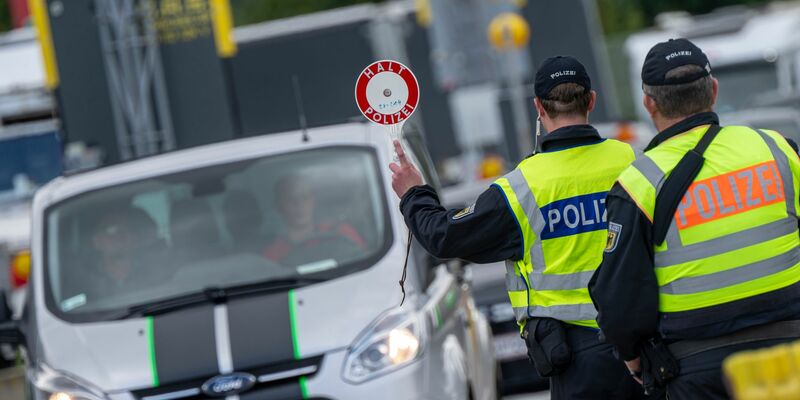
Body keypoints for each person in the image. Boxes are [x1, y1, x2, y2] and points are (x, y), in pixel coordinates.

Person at [390, 56, 644, 399]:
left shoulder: (522, 188)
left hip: (577, 361)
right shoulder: (633, 162)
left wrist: (413, 193)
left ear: (538, 107)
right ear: (592, 100)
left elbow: (443, 236)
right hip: (644, 345)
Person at [588, 38, 800, 399]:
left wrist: (633, 359)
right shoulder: (777, 149)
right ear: (713, 90)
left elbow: (620, 293)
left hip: (699, 365)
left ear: (649, 103)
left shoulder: (639, 183)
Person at [264, 174, 365, 264]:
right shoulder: (273, 255)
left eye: (305, 197)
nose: (300, 205)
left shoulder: (341, 232)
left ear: (313, 201)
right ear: (279, 207)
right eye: (291, 199)